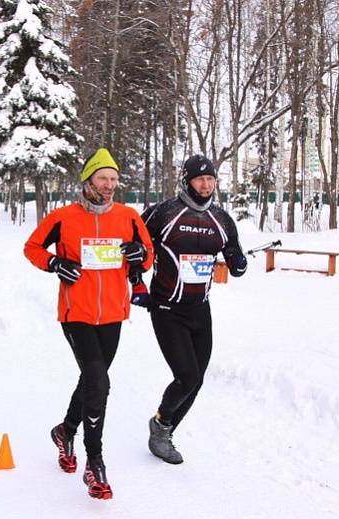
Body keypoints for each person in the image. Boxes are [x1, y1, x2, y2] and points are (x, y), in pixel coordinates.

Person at [23, 148, 153, 500]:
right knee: (98, 379)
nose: (109, 185)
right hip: (76, 312)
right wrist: (54, 264)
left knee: (93, 380)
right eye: (102, 179)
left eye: (113, 179)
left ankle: (65, 431)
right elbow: (32, 247)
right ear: (88, 180)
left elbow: (147, 252)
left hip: (113, 313)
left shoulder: (128, 216)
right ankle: (94, 463)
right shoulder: (63, 217)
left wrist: (141, 256)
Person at [138, 154, 247, 464]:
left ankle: (164, 428)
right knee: (186, 376)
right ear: (187, 180)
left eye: (210, 179)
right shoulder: (163, 213)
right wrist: (138, 284)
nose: (206, 184)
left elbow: (234, 255)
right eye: (200, 179)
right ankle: (161, 427)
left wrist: (239, 264)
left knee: (196, 380)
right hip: (166, 307)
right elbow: (135, 248)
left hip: (200, 308)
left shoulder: (221, 219)